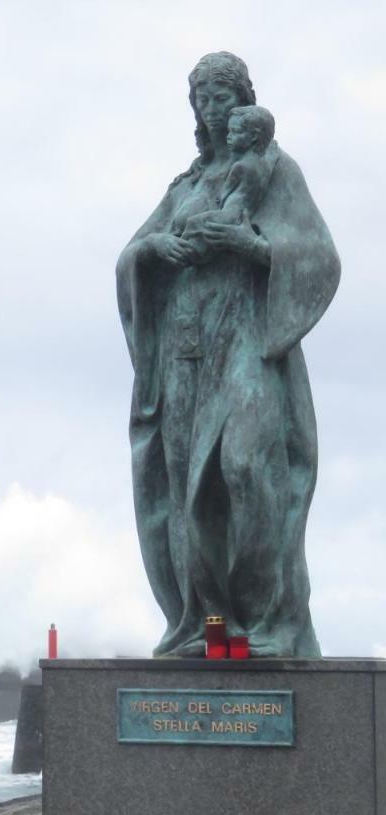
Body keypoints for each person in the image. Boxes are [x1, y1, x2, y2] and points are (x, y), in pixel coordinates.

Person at [116, 52, 340, 657]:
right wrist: (157, 251)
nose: (213, 110)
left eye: (223, 97)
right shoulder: (185, 186)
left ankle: (271, 622)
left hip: (245, 342)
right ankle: (211, 629)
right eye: (202, 99)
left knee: (246, 468)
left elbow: (317, 257)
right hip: (187, 348)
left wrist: (247, 243)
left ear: (245, 101)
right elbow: (132, 256)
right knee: (191, 489)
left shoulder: (273, 169)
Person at [177, 104, 277, 261]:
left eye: (235, 132)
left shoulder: (241, 166)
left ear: (254, 136)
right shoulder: (264, 163)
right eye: (229, 131)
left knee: (193, 223)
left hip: (231, 215)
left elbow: (225, 194)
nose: (228, 136)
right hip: (240, 213)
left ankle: (190, 251)